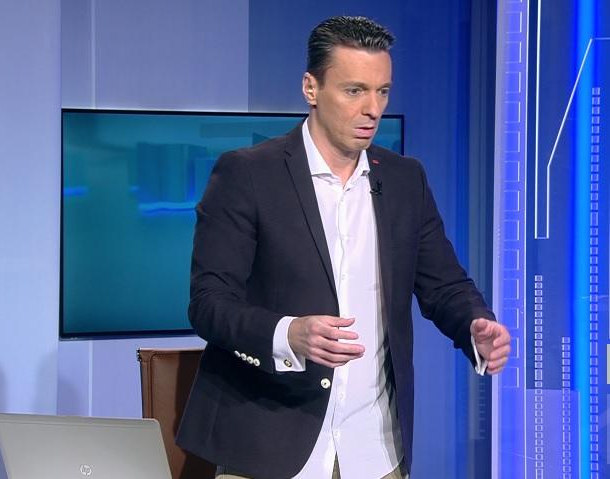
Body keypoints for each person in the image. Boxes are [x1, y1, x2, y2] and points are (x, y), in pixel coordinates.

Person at [176, 15, 511, 479]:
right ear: (310, 88)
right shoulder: (248, 174)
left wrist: (474, 324)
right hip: (269, 446)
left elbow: (444, 285)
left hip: (376, 452)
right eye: (355, 91)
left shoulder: (405, 180)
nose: (372, 109)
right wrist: (288, 333)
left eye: (382, 91)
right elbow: (209, 304)